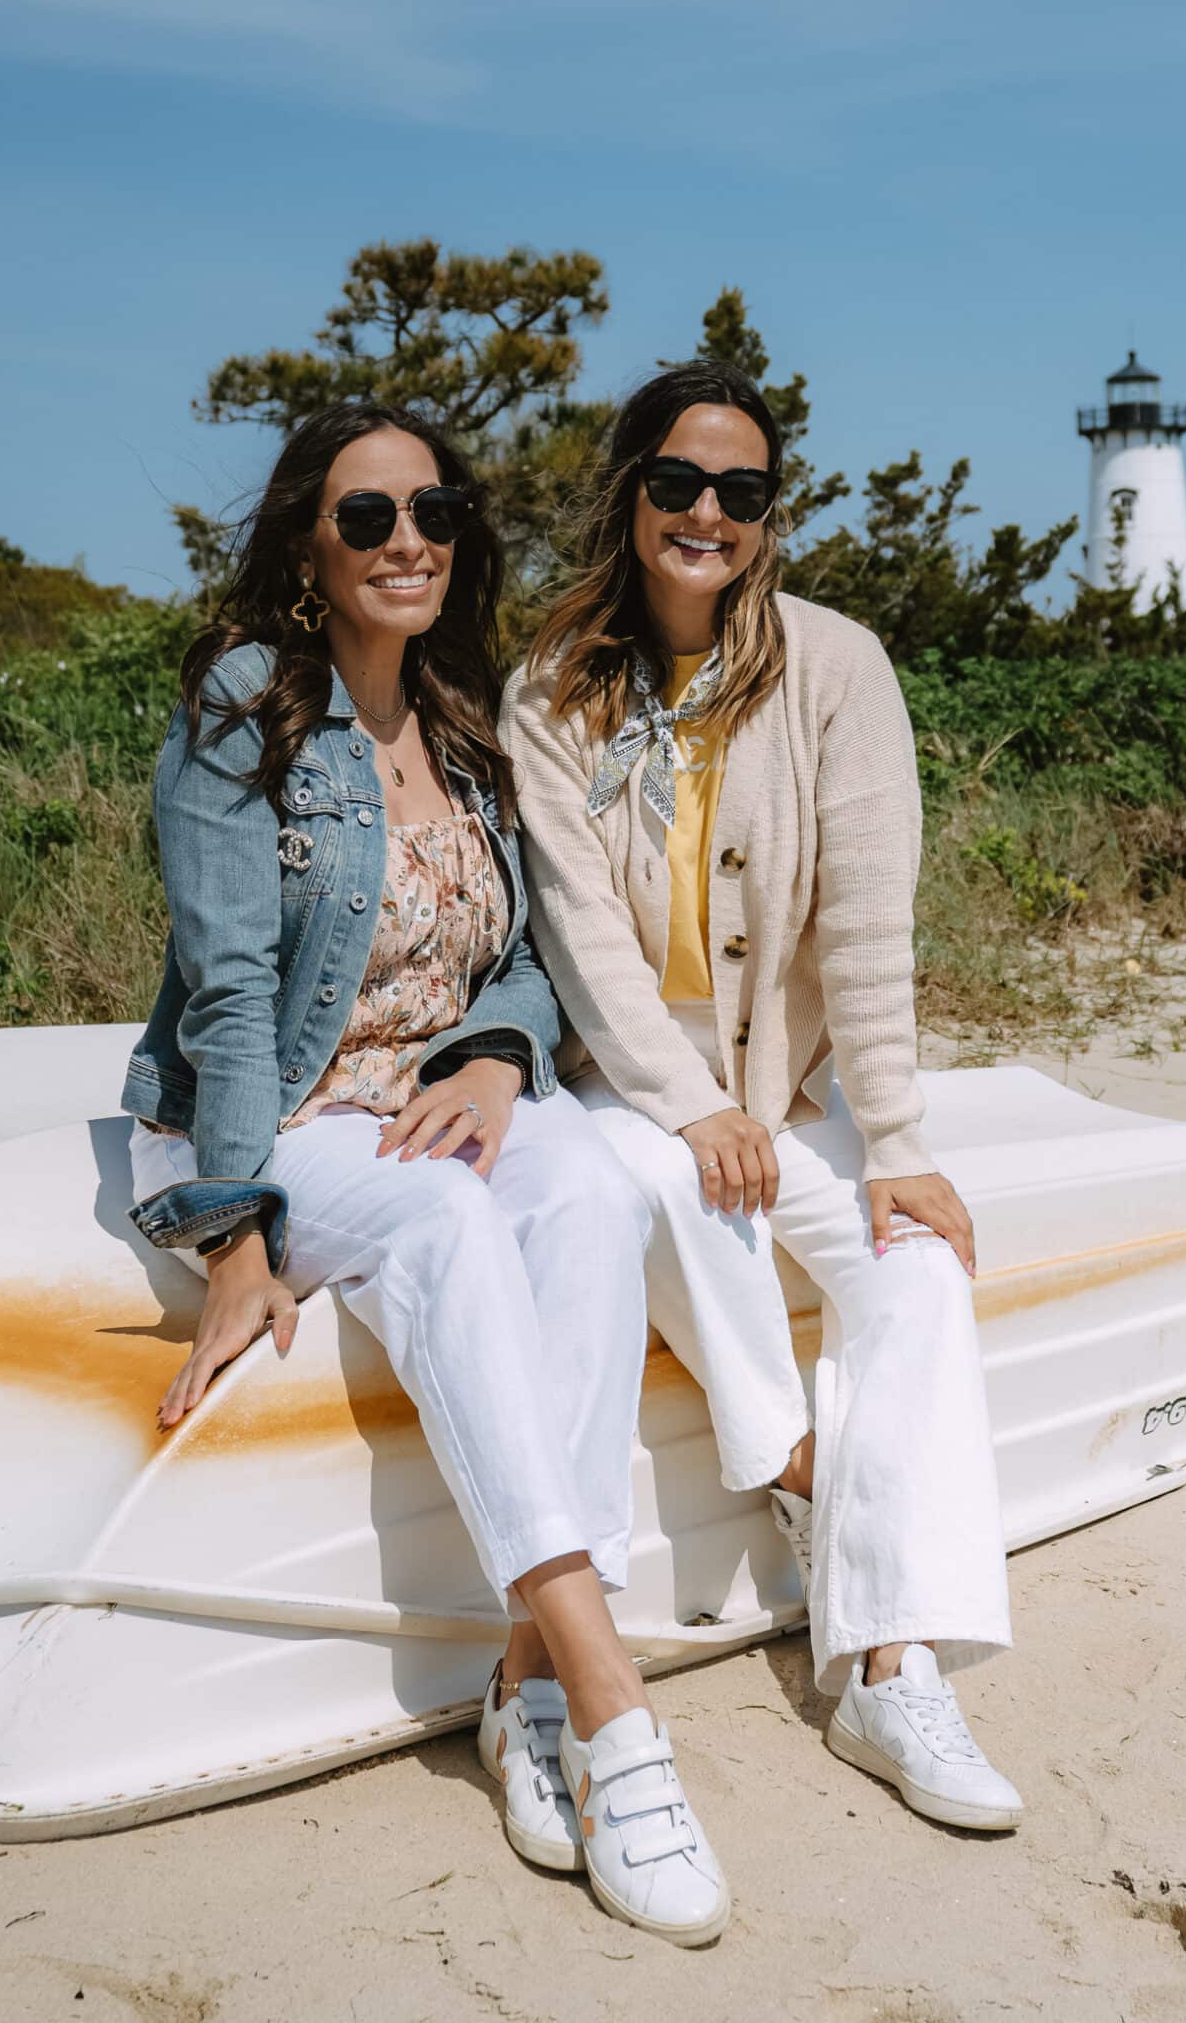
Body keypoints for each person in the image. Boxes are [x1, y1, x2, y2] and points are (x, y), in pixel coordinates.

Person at [122, 401, 730, 1945]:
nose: (410, 544)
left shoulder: (466, 716)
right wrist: (234, 1235)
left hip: (429, 1100)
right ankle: (609, 1706)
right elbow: (230, 993)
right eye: (369, 518)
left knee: (588, 1189)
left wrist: (496, 1054)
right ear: (306, 548)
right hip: (275, 1116)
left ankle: (518, 1679)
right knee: (452, 1232)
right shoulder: (247, 703)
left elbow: (521, 959)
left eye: (436, 515)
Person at [502, 360, 1022, 1832]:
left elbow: (866, 924)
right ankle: (792, 1462)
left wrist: (899, 1143)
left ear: (768, 513)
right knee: (665, 1182)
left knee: (919, 1274)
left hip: (788, 1094)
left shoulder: (838, 666)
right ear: (629, 495)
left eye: (740, 491)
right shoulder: (550, 691)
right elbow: (580, 937)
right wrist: (686, 1102)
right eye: (676, 483)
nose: (706, 514)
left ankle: (888, 1663)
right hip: (630, 1084)